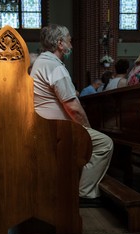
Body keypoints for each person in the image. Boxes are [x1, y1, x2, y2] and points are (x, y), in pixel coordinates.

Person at [30, 24, 114, 206]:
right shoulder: (54, 66)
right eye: (69, 41)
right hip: (57, 129)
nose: (71, 45)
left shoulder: (41, 62)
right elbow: (73, 107)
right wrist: (86, 129)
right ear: (60, 44)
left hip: (45, 125)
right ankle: (85, 193)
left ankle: (77, 186)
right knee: (104, 144)